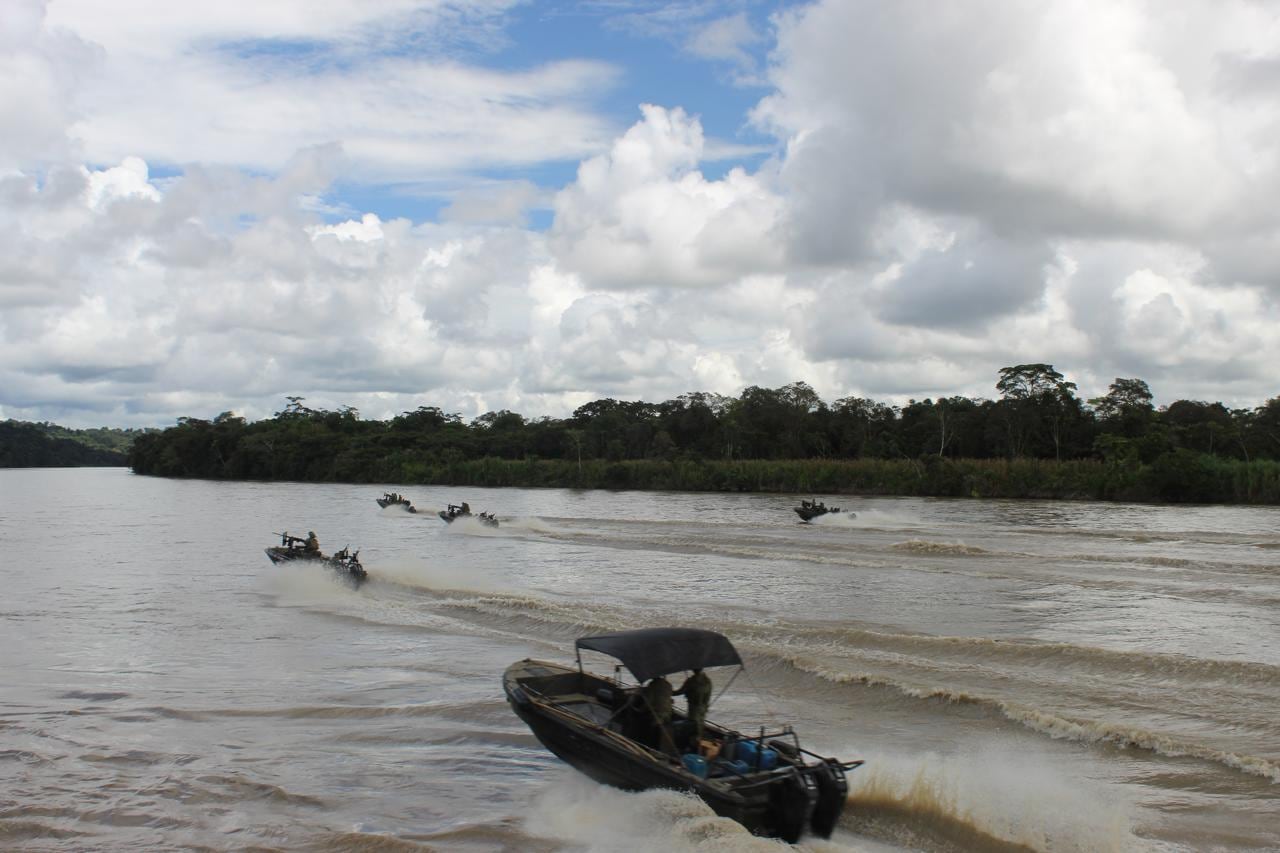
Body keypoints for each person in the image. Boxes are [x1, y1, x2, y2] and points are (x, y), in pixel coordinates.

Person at [675, 667, 712, 746]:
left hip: (694, 709)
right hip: (703, 708)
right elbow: (708, 696)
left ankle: (694, 745)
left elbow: (680, 691)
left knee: (692, 727)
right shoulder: (707, 681)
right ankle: (700, 745)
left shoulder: (691, 681)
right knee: (700, 727)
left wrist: (669, 692)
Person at [639, 676, 675, 754]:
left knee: (652, 729)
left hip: (658, 714)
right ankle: (665, 748)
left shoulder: (652, 685)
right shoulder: (668, 684)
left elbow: (648, 702)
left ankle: (650, 749)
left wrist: (640, 709)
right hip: (668, 713)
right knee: (665, 728)